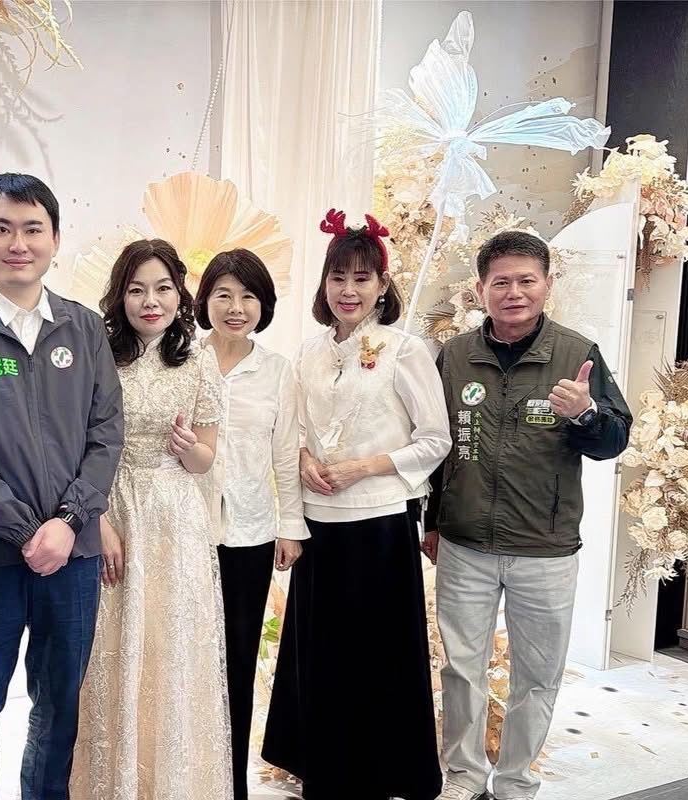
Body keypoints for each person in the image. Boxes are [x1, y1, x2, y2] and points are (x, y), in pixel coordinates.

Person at [0, 173, 124, 800]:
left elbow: (106, 435)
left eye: (33, 229)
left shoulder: (85, 329)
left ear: (55, 239)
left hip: (73, 555)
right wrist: (25, 530)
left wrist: (68, 522)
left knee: (59, 706)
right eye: (2, 228)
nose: (18, 243)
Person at [425, 230, 632, 800]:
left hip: (545, 547)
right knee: (461, 670)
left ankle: (516, 782)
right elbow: (436, 447)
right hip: (465, 543)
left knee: (536, 676)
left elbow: (614, 440)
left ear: (547, 284)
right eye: (501, 282)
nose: (513, 293)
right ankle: (464, 776)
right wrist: (433, 522)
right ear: (480, 289)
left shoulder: (577, 353)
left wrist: (586, 414)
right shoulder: (454, 356)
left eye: (526, 281)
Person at [263, 210, 450, 800]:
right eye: (338, 277)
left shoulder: (404, 350)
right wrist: (303, 459)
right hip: (320, 524)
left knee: (377, 655)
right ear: (324, 284)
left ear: (382, 285)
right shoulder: (309, 352)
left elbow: (436, 440)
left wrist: (363, 467)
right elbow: (292, 429)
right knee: (323, 654)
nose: (349, 290)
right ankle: (325, 771)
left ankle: (381, 774)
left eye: (362, 278)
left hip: (379, 525)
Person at [70, 238, 233, 800]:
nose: (150, 301)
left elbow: (206, 458)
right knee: (110, 647)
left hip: (175, 518)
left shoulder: (199, 360)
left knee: (172, 649)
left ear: (180, 294)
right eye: (137, 289)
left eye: (163, 288)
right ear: (120, 296)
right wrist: (96, 520)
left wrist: (191, 449)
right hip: (112, 506)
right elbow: (78, 447)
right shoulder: (98, 354)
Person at [195, 248, 307, 800]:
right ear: (205, 301)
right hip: (185, 531)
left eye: (248, 296)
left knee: (238, 661)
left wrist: (291, 524)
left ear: (263, 305)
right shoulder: (181, 358)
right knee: (188, 658)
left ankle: (231, 785)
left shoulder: (278, 371)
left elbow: (286, 455)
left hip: (250, 534)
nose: (235, 307)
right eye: (223, 295)